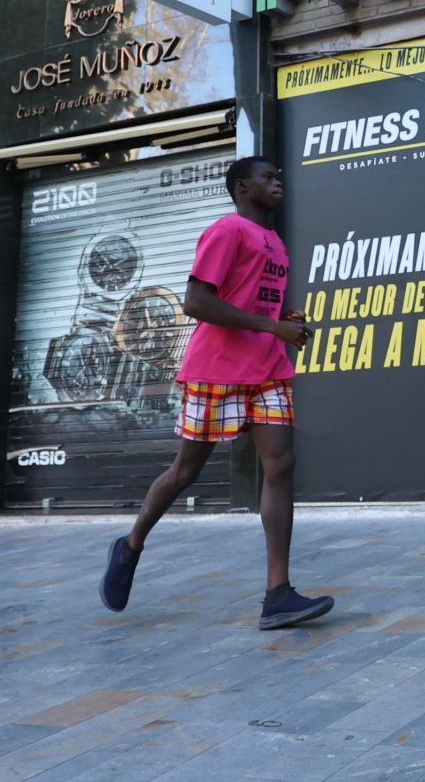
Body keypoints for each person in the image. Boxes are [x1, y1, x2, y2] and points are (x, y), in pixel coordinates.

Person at [98, 157, 332, 630]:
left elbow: (249, 299)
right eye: (268, 177)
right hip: (218, 370)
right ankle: (130, 544)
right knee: (186, 471)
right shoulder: (227, 231)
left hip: (266, 368)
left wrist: (281, 322)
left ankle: (277, 595)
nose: (278, 181)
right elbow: (196, 301)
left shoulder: (275, 243)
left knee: (281, 465)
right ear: (242, 187)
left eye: (278, 175)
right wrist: (270, 325)